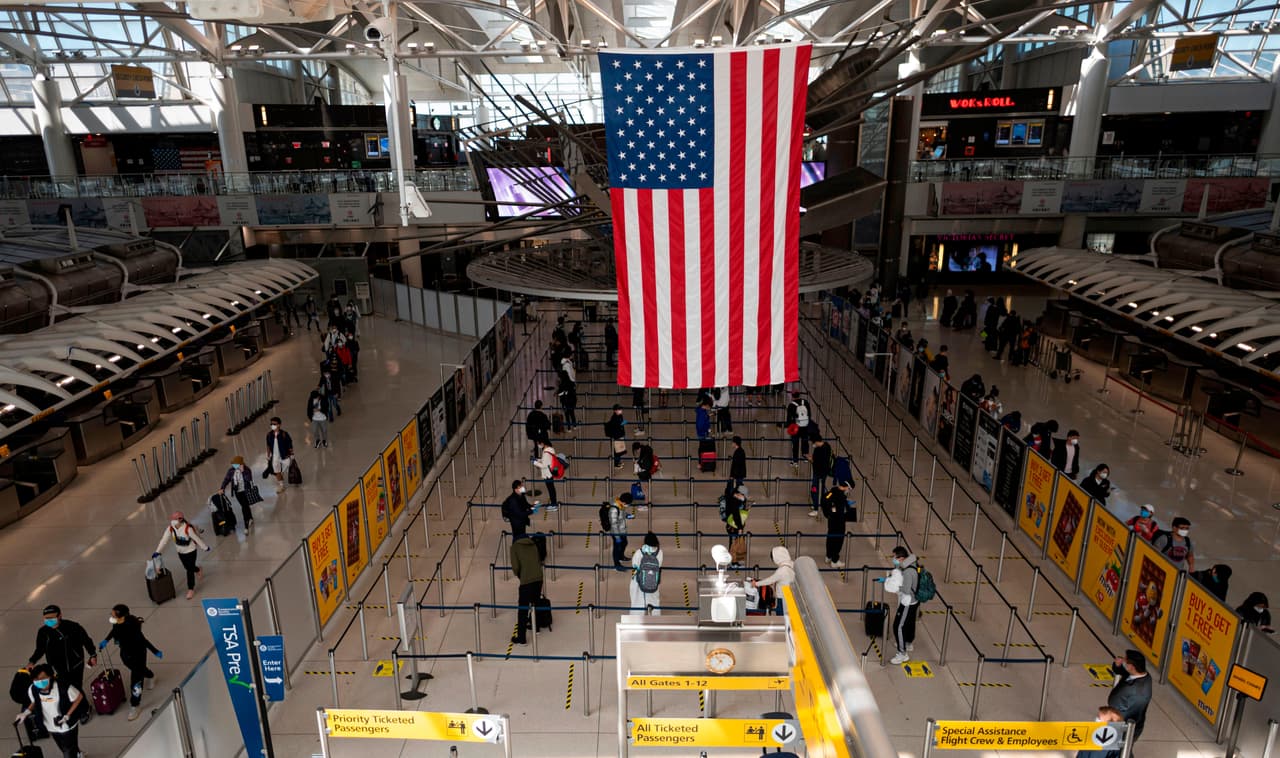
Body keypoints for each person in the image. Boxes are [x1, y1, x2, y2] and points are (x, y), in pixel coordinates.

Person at [99, 605, 161, 721]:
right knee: (139, 670)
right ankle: (151, 675)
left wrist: (155, 651)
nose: (111, 617)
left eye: (113, 615)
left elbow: (143, 640)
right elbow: (114, 630)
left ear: (121, 616)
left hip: (138, 654)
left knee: (136, 680)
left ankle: (135, 705)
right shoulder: (117, 622)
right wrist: (106, 640)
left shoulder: (132, 626)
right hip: (125, 655)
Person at [14, 663, 85, 758]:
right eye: (36, 680)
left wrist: (67, 715)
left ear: (50, 677)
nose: (40, 682)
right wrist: (26, 712)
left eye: (43, 678)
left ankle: (74, 754)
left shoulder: (63, 687)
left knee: (68, 751)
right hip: (50, 725)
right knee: (63, 746)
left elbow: (79, 697)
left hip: (67, 725)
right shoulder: (33, 689)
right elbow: (35, 701)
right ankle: (77, 753)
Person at [28, 606, 96, 701]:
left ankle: (83, 708)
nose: (49, 620)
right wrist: (32, 661)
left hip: (75, 663)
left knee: (76, 687)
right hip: (57, 667)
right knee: (65, 688)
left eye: (51, 617)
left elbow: (86, 641)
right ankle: (71, 707)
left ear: (59, 616)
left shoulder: (73, 626)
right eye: (46, 618)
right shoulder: (43, 632)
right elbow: (40, 649)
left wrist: (92, 655)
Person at [153, 511, 211, 600]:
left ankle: (190, 589)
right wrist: (157, 551)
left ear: (180, 519)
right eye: (172, 519)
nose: (172, 521)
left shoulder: (187, 528)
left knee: (189, 570)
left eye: (174, 519)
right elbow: (164, 540)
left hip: (191, 551)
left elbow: (196, 538)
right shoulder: (170, 528)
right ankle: (198, 569)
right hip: (180, 552)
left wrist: (205, 547)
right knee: (187, 567)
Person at [882, 546, 920, 664]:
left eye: (895, 557)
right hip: (914, 602)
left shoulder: (908, 572)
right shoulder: (912, 564)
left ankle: (902, 653)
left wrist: (890, 584)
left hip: (907, 602)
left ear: (902, 558)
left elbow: (906, 590)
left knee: (898, 626)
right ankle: (907, 643)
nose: (893, 559)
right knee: (909, 623)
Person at [1106, 650, 1152, 742]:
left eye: (1125, 660)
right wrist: (1118, 666)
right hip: (1120, 722)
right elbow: (1124, 673)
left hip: (1126, 728)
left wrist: (1112, 720)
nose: (1123, 660)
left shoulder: (1139, 692)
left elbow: (1132, 713)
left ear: (1132, 666)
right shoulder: (1141, 674)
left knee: (1122, 751)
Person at [509, 534, 544, 645]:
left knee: (522, 610)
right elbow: (538, 560)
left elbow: (515, 567)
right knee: (535, 602)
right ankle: (536, 627)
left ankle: (521, 638)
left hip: (526, 581)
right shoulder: (533, 544)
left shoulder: (514, 547)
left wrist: (521, 575)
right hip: (539, 577)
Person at [750, 546, 796, 615]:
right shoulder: (792, 565)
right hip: (791, 595)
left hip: (783, 597)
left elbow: (769, 580)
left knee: (782, 617)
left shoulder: (782, 570)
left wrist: (756, 583)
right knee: (790, 617)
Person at [217, 455, 257, 532]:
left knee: (244, 507)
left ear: (241, 464)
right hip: (237, 492)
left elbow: (249, 479)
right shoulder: (231, 471)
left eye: (236, 464)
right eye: (233, 464)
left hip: (246, 491)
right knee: (244, 505)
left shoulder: (247, 470)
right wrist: (222, 488)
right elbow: (226, 479)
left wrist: (243, 471)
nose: (234, 465)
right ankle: (250, 518)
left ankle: (246, 525)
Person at [820, 481, 853, 569]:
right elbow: (841, 509)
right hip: (839, 521)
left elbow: (824, 499)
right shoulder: (841, 496)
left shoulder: (832, 491)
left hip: (831, 520)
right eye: (849, 489)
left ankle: (828, 556)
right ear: (846, 487)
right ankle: (835, 560)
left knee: (830, 537)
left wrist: (828, 514)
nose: (848, 491)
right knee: (838, 540)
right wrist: (846, 506)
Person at [630, 532, 663, 615]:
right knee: (654, 601)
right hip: (653, 581)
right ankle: (655, 617)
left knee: (637, 602)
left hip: (639, 582)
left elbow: (634, 566)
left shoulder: (639, 552)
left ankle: (636, 618)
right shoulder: (660, 552)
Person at [265, 416, 294, 493]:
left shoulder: (284, 434)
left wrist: (292, 454)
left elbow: (289, 444)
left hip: (285, 455)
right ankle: (281, 485)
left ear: (279, 425)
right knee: (277, 470)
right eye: (271, 424)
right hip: (275, 456)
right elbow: (268, 445)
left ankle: (281, 474)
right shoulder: (269, 435)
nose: (272, 425)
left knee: (287, 465)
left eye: (274, 424)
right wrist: (268, 455)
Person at [722, 484, 749, 568]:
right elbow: (736, 515)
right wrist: (740, 527)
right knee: (734, 543)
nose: (744, 497)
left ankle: (733, 561)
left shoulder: (733, 497)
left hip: (732, 525)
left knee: (733, 542)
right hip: (734, 526)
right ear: (739, 493)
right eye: (743, 495)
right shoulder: (735, 501)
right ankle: (733, 562)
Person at [807, 437, 835, 517]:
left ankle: (816, 509)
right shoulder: (827, 446)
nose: (813, 445)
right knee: (821, 490)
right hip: (824, 473)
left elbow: (817, 462)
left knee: (814, 491)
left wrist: (810, 459)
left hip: (818, 473)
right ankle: (819, 504)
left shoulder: (819, 450)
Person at [786, 391, 813, 467]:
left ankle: (795, 461)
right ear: (799, 395)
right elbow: (809, 414)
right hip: (805, 426)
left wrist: (789, 427)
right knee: (805, 441)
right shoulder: (806, 402)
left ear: (792, 396)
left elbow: (789, 419)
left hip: (796, 427)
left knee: (795, 443)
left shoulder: (791, 405)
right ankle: (805, 456)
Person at [606, 492, 632, 571]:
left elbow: (622, 513)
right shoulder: (614, 509)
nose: (628, 505)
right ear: (624, 502)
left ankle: (621, 557)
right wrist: (617, 537)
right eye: (628, 504)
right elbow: (613, 525)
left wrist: (627, 515)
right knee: (617, 548)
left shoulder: (620, 505)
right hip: (616, 532)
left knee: (624, 543)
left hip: (622, 529)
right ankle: (617, 565)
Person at [533, 441, 560, 512]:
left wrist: (534, 462)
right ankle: (553, 503)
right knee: (551, 488)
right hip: (550, 473)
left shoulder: (546, 453)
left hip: (547, 474)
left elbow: (543, 465)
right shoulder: (550, 449)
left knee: (550, 489)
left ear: (543, 443)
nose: (539, 445)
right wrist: (538, 460)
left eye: (539, 443)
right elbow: (546, 461)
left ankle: (554, 505)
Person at [605, 404, 627, 468]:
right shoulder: (614, 418)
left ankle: (618, 461)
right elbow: (617, 426)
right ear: (615, 411)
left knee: (619, 450)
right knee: (616, 451)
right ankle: (616, 464)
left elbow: (621, 424)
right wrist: (622, 423)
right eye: (619, 409)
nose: (621, 410)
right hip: (616, 436)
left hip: (620, 435)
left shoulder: (620, 416)